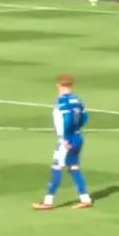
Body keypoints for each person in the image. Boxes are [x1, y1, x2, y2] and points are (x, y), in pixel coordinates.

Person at [34, 73, 93, 210]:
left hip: (66, 140)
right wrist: (76, 130)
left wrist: (63, 138)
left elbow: (64, 121)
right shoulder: (77, 100)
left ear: (58, 85)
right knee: (73, 168)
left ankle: (48, 202)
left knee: (56, 167)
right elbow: (85, 117)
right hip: (78, 137)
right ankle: (85, 199)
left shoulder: (61, 103)